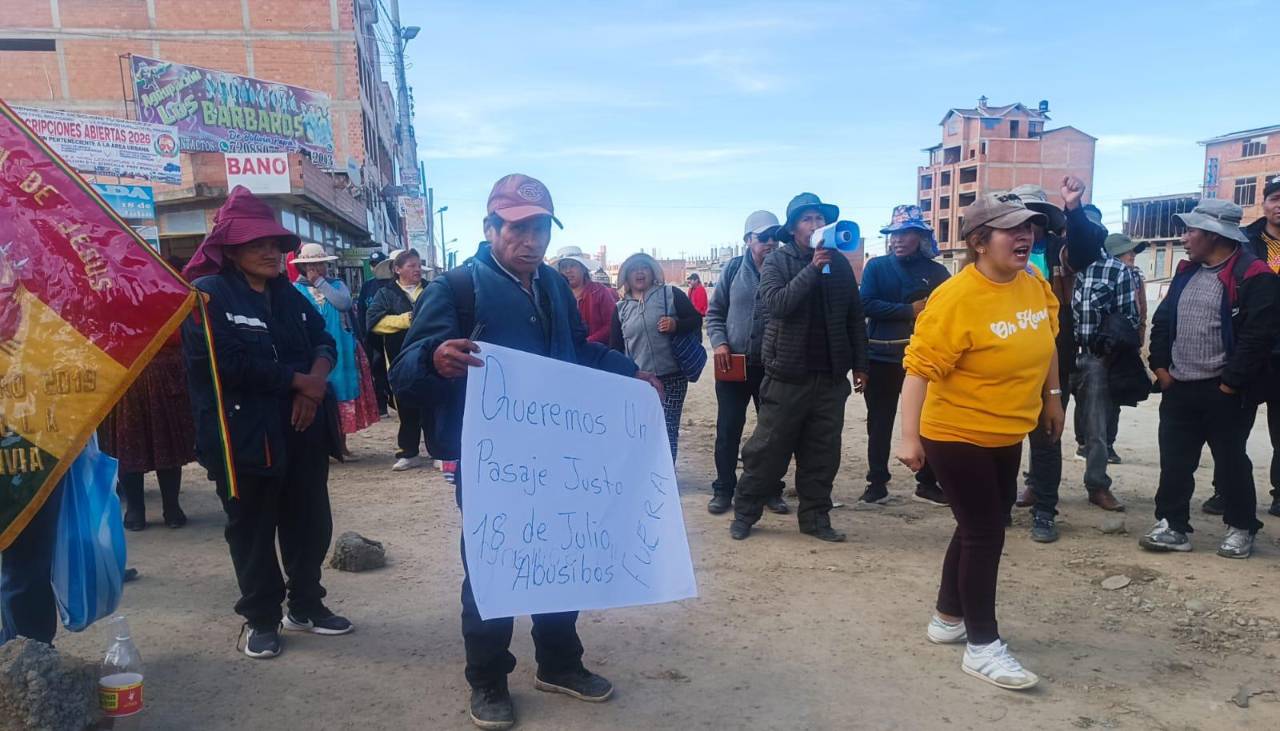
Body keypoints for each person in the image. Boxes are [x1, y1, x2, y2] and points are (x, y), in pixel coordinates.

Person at [392, 173, 661, 731]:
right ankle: (487, 679)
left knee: (559, 556)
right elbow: (404, 370)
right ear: (490, 227)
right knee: (493, 568)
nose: (530, 240)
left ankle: (560, 662)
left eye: (539, 227)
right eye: (518, 227)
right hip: (492, 463)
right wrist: (433, 359)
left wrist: (630, 371)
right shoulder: (458, 289)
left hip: (556, 454)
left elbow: (573, 351)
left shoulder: (555, 287)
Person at [897, 192, 1063, 691]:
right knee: (986, 533)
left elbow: (1048, 337)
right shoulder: (956, 297)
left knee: (975, 526)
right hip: (957, 433)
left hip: (1006, 430)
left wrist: (1052, 397)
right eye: (1011, 229)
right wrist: (908, 438)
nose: (1025, 236)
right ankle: (983, 646)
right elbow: (917, 371)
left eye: (1029, 228)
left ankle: (949, 617)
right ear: (978, 242)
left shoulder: (1032, 281)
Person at [180, 186, 352, 660]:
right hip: (243, 439)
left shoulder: (291, 296)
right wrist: (298, 381)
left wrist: (313, 388)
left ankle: (306, 605)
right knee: (253, 531)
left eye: (276, 243)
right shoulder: (208, 296)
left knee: (311, 521)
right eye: (258, 243)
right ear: (230, 249)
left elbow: (323, 343)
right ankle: (261, 617)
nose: (271, 251)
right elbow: (223, 363)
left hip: (301, 429)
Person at [1139, 199, 1278, 559]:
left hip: (1225, 391)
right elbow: (1164, 322)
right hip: (1179, 387)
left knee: (1231, 461)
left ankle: (1242, 526)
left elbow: (1258, 339)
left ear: (1214, 235)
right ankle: (1172, 524)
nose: (1184, 238)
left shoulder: (1255, 276)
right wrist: (1161, 369)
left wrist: (1230, 384)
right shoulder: (1186, 272)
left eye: (1191, 231)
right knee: (1175, 462)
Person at [729, 193, 869, 543]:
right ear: (793, 229)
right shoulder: (778, 261)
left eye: (820, 219)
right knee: (767, 451)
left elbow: (854, 317)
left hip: (830, 378)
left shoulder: (839, 266)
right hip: (787, 376)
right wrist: (811, 268)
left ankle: (815, 519)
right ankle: (745, 512)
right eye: (808, 219)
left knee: (822, 454)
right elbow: (778, 305)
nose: (816, 225)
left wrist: (860, 366)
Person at [1010, 178, 1109, 543]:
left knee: (1047, 435)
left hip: (1050, 357)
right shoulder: (995, 251)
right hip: (1003, 360)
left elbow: (1085, 250)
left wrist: (1074, 207)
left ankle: (1045, 510)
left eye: (1033, 217)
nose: (1025, 226)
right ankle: (1004, 502)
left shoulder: (1057, 250)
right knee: (1002, 438)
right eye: (1017, 217)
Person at [859, 204, 950, 507]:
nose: (897, 239)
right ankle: (877, 482)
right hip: (881, 358)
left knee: (928, 423)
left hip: (924, 362)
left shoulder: (938, 273)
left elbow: (947, 315)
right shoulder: (876, 267)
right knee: (879, 423)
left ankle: (926, 483)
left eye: (904, 233)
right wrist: (907, 311)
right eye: (893, 234)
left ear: (920, 236)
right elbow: (866, 304)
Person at [703, 210, 789, 516]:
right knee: (728, 429)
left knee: (772, 434)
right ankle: (724, 489)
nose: (770, 243)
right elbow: (714, 314)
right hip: (734, 363)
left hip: (773, 366)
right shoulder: (733, 269)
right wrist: (720, 343)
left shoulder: (786, 270)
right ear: (747, 240)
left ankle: (770, 490)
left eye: (775, 238)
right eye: (763, 238)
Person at [1208, 175, 1280, 518]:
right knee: (1232, 428)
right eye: (1275, 198)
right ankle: (1226, 491)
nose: (1279, 206)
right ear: (1264, 203)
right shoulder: (1244, 241)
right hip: (1247, 348)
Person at [1068, 225, 1140, 520]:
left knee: (1097, 429)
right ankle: (1038, 484)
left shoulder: (1116, 271)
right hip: (1056, 358)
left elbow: (1129, 317)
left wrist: (1108, 354)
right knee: (1043, 424)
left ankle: (1097, 485)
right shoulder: (1055, 266)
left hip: (1096, 358)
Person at [99, 327, 196, 530]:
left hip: (162, 367)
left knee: (166, 440)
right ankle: (136, 508)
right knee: (128, 444)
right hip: (123, 368)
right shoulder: (108, 294)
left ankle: (171, 506)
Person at [610, 252, 703, 462]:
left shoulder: (670, 294)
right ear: (626, 276)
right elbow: (615, 347)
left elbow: (696, 320)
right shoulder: (620, 309)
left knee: (667, 429)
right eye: (634, 269)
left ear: (653, 273)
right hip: (640, 381)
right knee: (642, 428)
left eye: (645, 268)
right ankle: (646, 473)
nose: (640, 272)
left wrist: (676, 324)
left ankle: (665, 480)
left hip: (673, 376)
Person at [293, 243, 376, 455]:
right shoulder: (295, 290)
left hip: (343, 350)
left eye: (320, 263)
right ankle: (321, 447)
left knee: (341, 394)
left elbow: (343, 304)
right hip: (313, 353)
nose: (317, 268)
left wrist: (320, 282)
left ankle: (341, 444)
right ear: (302, 267)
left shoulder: (337, 285)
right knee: (317, 395)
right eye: (311, 265)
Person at [1074, 234, 1149, 464]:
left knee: (1104, 412)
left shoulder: (1124, 274)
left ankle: (1098, 476)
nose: (1132, 256)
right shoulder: (1067, 265)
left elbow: (1133, 315)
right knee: (1068, 410)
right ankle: (1081, 444)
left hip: (1102, 355)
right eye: (1129, 252)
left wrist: (1119, 347)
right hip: (1065, 351)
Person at [367, 249, 430, 471]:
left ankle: (439, 451)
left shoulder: (433, 290)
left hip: (431, 357)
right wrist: (406, 320)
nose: (417, 269)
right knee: (406, 406)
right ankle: (409, 452)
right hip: (399, 359)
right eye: (411, 265)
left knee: (434, 405)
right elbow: (374, 323)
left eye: (418, 264)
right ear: (397, 269)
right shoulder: (386, 294)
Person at [356, 250, 393, 416]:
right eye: (372, 264)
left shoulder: (393, 284)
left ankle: (398, 401)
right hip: (373, 337)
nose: (375, 267)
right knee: (377, 371)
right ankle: (382, 404)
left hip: (392, 335)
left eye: (379, 263)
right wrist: (363, 334)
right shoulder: (367, 286)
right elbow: (361, 312)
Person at [555, 249, 617, 345]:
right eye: (564, 267)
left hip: (597, 354)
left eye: (572, 265)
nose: (568, 270)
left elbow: (612, 324)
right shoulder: (555, 295)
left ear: (583, 269)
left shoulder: (600, 291)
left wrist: (587, 342)